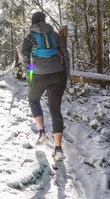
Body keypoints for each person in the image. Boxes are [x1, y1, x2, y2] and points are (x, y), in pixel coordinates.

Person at [21, 11, 70, 162]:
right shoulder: (55, 35)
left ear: (33, 22)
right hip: (58, 74)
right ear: (44, 21)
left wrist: (29, 77)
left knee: (33, 100)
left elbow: (26, 59)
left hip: (39, 76)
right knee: (56, 111)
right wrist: (66, 74)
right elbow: (65, 54)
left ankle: (42, 132)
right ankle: (58, 150)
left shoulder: (29, 37)